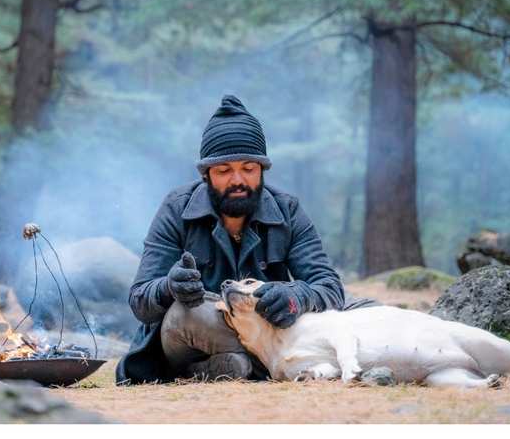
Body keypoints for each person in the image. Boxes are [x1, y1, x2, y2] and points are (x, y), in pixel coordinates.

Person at [115, 95, 377, 385]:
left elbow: (328, 287)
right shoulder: (177, 208)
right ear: (206, 174)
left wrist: (295, 298)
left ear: (262, 170)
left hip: (271, 329)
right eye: (224, 170)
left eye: (249, 169)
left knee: (368, 309)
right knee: (183, 315)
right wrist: (169, 287)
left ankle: (231, 368)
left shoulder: (287, 210)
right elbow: (140, 300)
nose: (237, 180)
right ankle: (274, 365)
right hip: (204, 328)